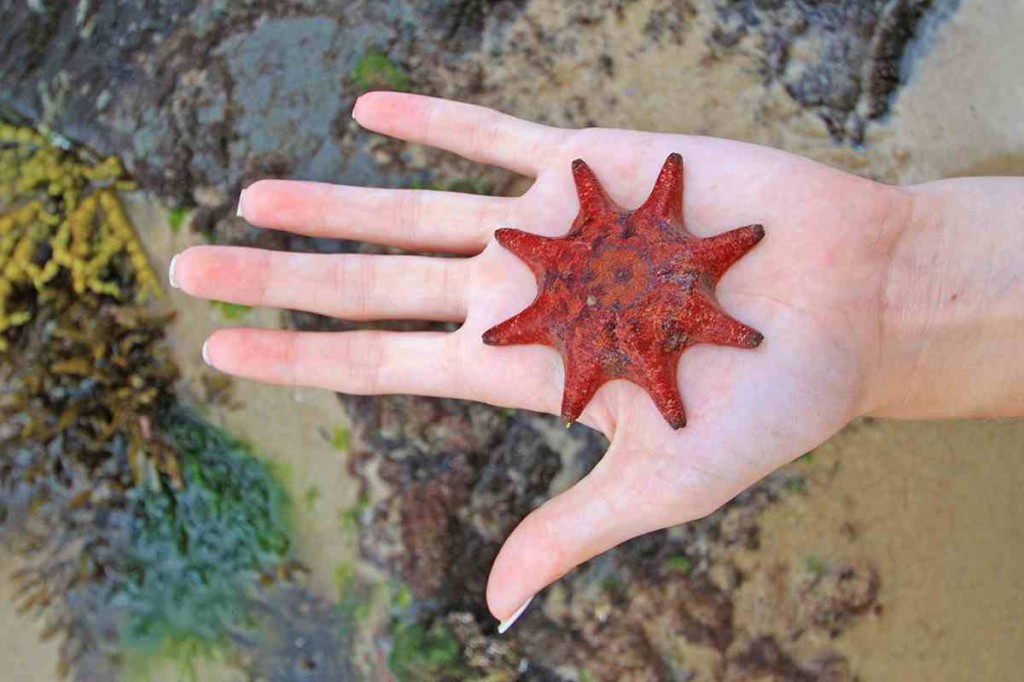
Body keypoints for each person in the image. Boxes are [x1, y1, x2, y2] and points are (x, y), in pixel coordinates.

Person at [168, 92, 1024, 633]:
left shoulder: (677, 278)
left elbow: (675, 275)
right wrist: (900, 282)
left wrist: (889, 290)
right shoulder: (584, 293)